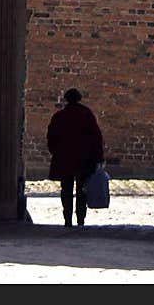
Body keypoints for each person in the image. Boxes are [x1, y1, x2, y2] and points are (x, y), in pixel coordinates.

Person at [46, 87, 104, 228]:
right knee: (81, 190)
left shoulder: (59, 116)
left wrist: (55, 152)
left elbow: (51, 137)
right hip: (84, 158)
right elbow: (96, 137)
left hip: (64, 158)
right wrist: (98, 156)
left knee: (66, 189)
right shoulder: (86, 115)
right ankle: (80, 219)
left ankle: (67, 218)